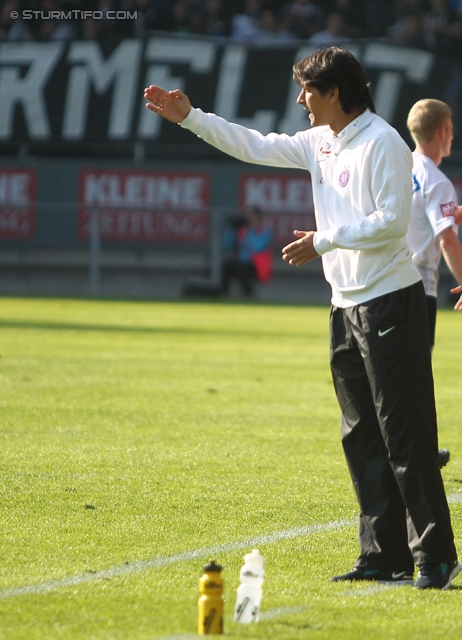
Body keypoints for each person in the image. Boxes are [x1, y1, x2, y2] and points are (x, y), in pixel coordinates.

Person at [144, 46, 460, 590]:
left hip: (390, 301)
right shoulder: (321, 141)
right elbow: (257, 146)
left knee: (405, 435)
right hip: (344, 305)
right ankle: (383, 555)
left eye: (308, 91)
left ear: (335, 92)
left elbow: (391, 222)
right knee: (360, 436)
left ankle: (435, 555)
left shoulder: (383, 142)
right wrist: (191, 118)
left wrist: (323, 240)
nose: (300, 101)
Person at [406, 98, 462, 470]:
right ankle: (420, 452)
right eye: (452, 129)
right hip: (418, 289)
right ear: (442, 131)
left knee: (397, 372)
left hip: (385, 283)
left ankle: (407, 448)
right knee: (416, 374)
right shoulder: (437, 180)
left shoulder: (396, 167)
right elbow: (446, 240)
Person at [221, 206, 273, 298]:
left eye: (250, 216)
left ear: (258, 217)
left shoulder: (265, 231)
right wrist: (231, 229)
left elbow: (258, 248)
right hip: (239, 263)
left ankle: (246, 295)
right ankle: (224, 295)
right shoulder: (241, 230)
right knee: (226, 266)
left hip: (255, 265)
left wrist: (250, 231)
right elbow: (227, 245)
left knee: (243, 268)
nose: (248, 219)